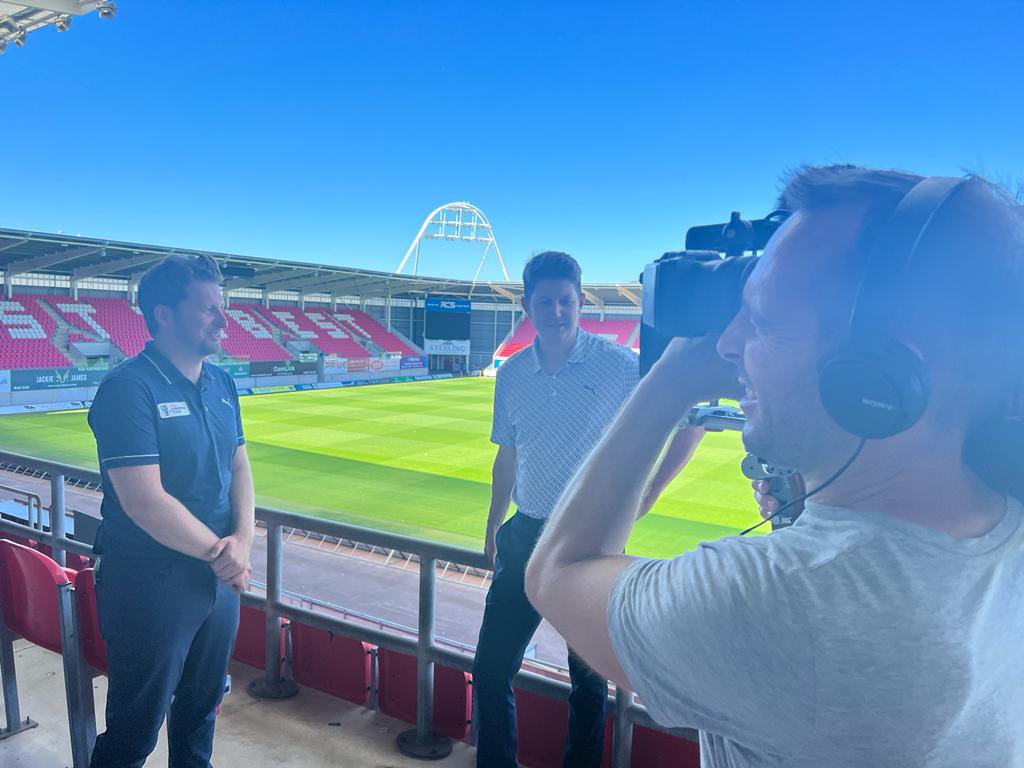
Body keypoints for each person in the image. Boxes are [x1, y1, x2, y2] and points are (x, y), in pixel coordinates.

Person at [525, 167, 1024, 767]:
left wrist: (667, 384)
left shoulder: (788, 604)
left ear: (879, 373)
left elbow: (558, 572)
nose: (728, 344)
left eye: (765, 321)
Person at [473, 251, 703, 768]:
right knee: (490, 671)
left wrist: (650, 493)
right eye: (545, 302)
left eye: (566, 301)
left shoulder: (617, 364)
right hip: (524, 533)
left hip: (590, 542)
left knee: (588, 682)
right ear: (528, 307)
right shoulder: (511, 374)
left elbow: (692, 422)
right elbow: (505, 455)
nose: (557, 311)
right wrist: (492, 525)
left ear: (581, 303)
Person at [87, 254, 255, 768]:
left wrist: (243, 542)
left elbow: (240, 468)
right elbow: (144, 499)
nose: (223, 321)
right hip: (149, 581)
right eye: (208, 310)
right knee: (136, 729)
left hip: (218, 579)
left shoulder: (222, 384)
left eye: (221, 308)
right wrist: (222, 553)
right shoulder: (127, 388)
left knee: (202, 713)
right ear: (163, 314)